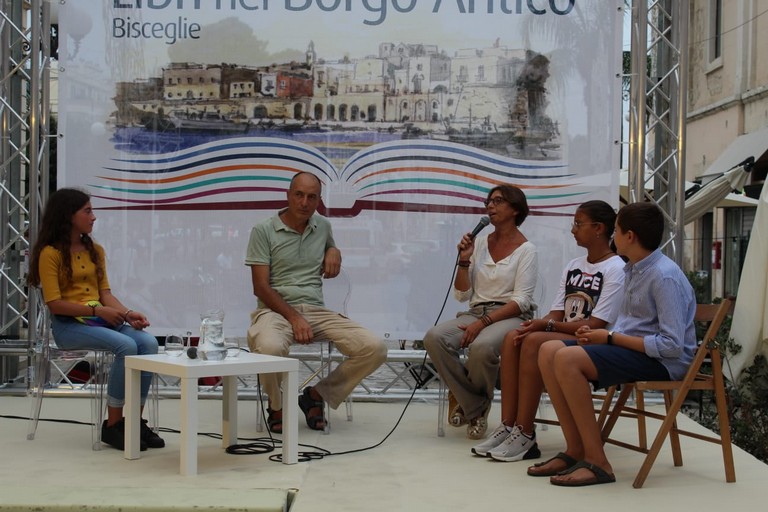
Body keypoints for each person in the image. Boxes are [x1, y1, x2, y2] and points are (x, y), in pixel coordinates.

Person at [530, 202, 696, 486]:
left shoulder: (663, 275)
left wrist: (609, 337)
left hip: (663, 362)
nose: (612, 236)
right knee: (548, 350)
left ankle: (598, 463)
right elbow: (632, 323)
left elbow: (671, 346)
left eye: (616, 231)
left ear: (629, 236)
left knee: (567, 359)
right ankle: (575, 449)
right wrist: (598, 336)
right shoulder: (634, 269)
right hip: (633, 350)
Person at [472, 200, 625, 461]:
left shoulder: (616, 268)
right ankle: (508, 426)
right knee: (515, 337)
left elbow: (598, 324)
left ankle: (525, 433)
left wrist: (546, 326)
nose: (573, 230)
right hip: (568, 332)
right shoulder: (574, 265)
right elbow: (556, 312)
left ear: (599, 228)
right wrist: (536, 324)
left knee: (534, 342)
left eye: (578, 224)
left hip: (595, 339)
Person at [245, 172, 387, 432]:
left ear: (318, 201)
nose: (304, 202)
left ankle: (316, 396)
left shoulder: (322, 226)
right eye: (298, 195)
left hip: (315, 310)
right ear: (288, 195)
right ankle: (276, 406)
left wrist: (335, 250)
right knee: (268, 348)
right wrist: (294, 318)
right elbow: (261, 287)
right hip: (274, 311)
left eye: (312, 197)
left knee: (375, 347)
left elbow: (329, 247)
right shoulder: (263, 230)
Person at [27, 188, 164, 451]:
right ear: (68, 216)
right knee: (126, 346)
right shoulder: (50, 253)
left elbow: (105, 294)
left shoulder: (95, 250)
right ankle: (113, 425)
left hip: (97, 322)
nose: (94, 217)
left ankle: (133, 421)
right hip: (68, 326)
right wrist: (97, 311)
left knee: (148, 344)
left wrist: (126, 314)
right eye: (87, 211)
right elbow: (54, 304)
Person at [424, 184, 538, 440]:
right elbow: (462, 294)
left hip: (511, 316)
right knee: (434, 338)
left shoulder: (527, 250)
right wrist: (464, 260)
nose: (490, 206)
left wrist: (484, 322)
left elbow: (521, 301)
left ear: (515, 209)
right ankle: (475, 406)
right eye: (489, 201)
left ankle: (467, 405)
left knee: (482, 347)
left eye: (498, 201)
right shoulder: (480, 243)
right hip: (475, 311)